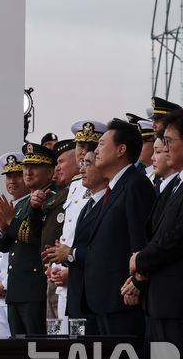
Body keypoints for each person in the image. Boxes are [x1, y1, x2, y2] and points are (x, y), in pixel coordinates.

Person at [131, 110, 183, 359]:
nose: (164, 147)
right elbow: (158, 234)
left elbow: (180, 238)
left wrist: (140, 260)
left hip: (182, 308)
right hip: (161, 306)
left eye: (169, 141)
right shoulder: (177, 184)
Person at [86, 118, 154, 336]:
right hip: (105, 298)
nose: (95, 151)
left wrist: (138, 280)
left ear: (121, 150)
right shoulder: (114, 188)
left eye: (102, 144)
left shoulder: (135, 184)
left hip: (124, 297)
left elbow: (141, 239)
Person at [0, 143, 55, 335]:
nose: (27, 172)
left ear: (50, 171)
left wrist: (11, 222)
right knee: (18, 353)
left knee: (36, 350)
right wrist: (3, 229)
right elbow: (5, 245)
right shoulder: (23, 204)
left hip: (35, 288)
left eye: (34, 167)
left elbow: (39, 238)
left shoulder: (51, 199)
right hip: (17, 289)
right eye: (26, 167)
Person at [43, 150, 104, 335]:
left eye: (88, 163)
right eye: (82, 163)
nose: (82, 168)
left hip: (82, 281)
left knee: (80, 343)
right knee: (59, 340)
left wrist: (69, 264)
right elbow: (67, 233)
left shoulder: (103, 201)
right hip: (61, 279)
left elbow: (99, 248)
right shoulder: (78, 189)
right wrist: (57, 264)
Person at [28, 140, 76, 321]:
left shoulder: (76, 192)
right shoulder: (61, 194)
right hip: (53, 274)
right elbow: (38, 232)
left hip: (67, 273)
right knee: (55, 336)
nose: (57, 168)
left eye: (61, 162)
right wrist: (34, 208)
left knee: (65, 337)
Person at [0, 152, 29, 337]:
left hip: (22, 287)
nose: (12, 181)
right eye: (9, 176)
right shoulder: (12, 206)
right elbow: (4, 250)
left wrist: (4, 283)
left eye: (18, 175)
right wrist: (2, 229)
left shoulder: (31, 205)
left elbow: (28, 246)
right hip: (5, 288)